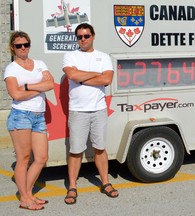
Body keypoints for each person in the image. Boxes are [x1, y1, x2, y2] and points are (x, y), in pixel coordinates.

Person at [62, 23, 119, 205]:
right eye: (79, 37)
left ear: (93, 36)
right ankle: (72, 187)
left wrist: (82, 78)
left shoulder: (103, 57)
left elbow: (107, 79)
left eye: (86, 36)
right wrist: (95, 75)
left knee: (100, 148)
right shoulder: (71, 55)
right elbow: (71, 75)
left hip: (98, 110)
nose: (83, 39)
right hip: (78, 111)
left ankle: (106, 183)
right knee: (76, 151)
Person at [4, 31, 54, 210]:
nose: (23, 48)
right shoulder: (11, 69)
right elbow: (15, 94)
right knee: (24, 158)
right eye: (19, 46)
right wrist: (39, 89)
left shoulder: (39, 64)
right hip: (21, 115)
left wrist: (27, 86)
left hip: (38, 116)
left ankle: (28, 193)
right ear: (13, 48)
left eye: (26, 44)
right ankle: (24, 199)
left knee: (41, 158)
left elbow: (50, 84)